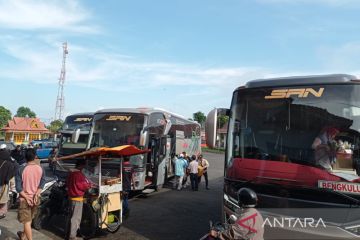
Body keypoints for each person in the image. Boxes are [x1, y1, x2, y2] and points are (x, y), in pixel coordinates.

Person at [15, 148, 45, 240]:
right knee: (30, 219)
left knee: (27, 222)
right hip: (36, 199)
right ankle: (23, 236)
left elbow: (18, 188)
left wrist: (26, 197)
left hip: (24, 200)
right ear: (35, 156)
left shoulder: (21, 169)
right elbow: (42, 182)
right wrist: (37, 193)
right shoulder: (40, 168)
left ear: (25, 157)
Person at [66, 159, 92, 240]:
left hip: (71, 197)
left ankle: (68, 234)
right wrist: (89, 185)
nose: (84, 167)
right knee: (76, 218)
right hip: (77, 199)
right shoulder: (78, 174)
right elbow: (83, 185)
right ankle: (72, 236)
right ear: (81, 166)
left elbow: (67, 183)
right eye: (83, 166)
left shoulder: (71, 173)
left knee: (71, 216)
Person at [0, 144, 17, 219]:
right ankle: (1, 213)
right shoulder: (10, 163)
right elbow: (11, 177)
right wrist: (13, 188)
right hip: (4, 185)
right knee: (3, 200)